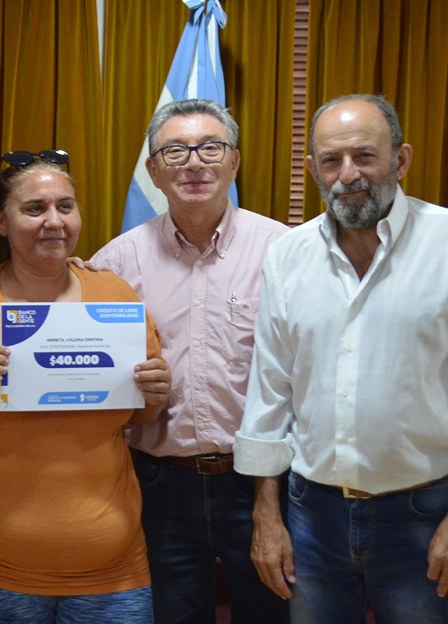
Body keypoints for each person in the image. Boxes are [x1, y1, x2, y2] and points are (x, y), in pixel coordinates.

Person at [0, 151, 171, 623]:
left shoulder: (114, 295)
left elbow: (141, 415)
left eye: (65, 206)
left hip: (112, 564)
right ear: (1, 222)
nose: (54, 221)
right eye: (34, 208)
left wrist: (155, 391)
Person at [235, 94, 448, 623]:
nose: (347, 174)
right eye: (331, 160)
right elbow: (270, 391)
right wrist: (267, 514)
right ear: (313, 169)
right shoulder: (288, 255)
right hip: (312, 516)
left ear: (401, 159)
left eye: (364, 156)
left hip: (423, 515)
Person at [88, 100, 290, 624]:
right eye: (175, 151)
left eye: (210, 148)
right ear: (153, 171)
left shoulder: (284, 253)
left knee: (270, 614)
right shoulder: (116, 263)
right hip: (161, 484)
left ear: (234, 161)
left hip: (261, 482)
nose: (194, 163)